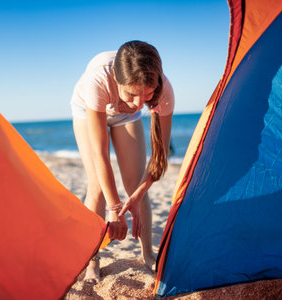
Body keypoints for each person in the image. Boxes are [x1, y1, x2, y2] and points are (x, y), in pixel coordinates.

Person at [70, 40, 174, 283]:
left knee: (135, 182)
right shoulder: (98, 81)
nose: (139, 103)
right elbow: (100, 155)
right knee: (96, 185)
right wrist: (114, 209)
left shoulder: (164, 90)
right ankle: (92, 260)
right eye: (131, 93)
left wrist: (135, 196)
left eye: (147, 94)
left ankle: (147, 254)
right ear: (117, 81)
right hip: (89, 110)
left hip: (123, 118)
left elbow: (160, 159)